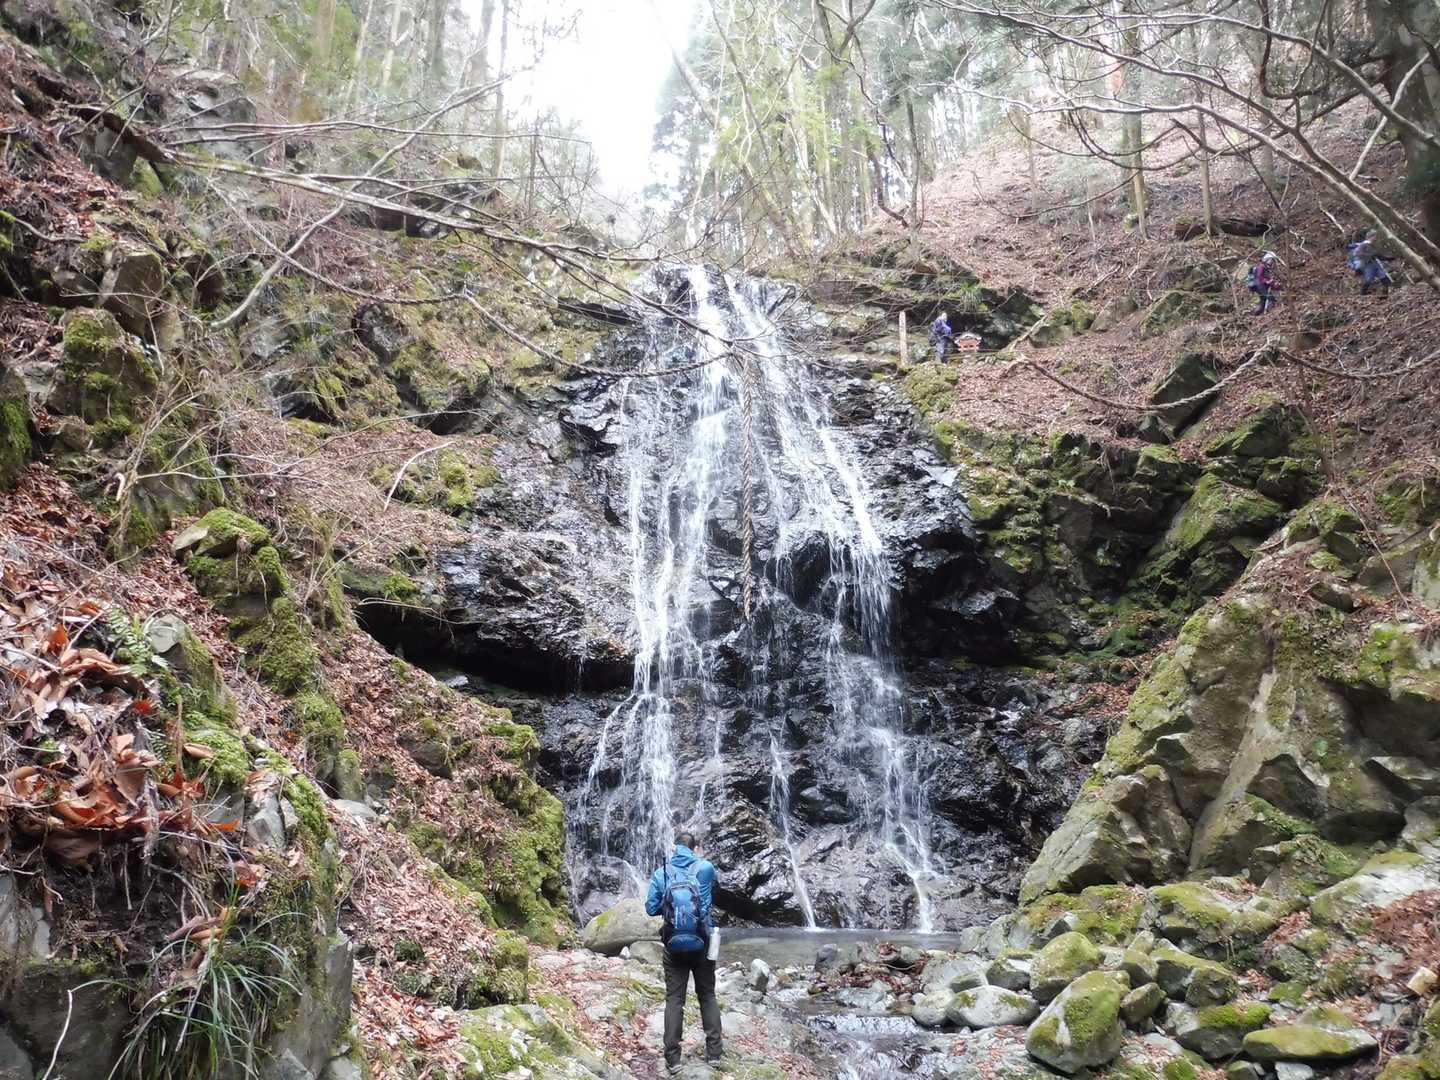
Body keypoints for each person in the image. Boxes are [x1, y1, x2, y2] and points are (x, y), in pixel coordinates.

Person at [645, 832, 722, 1074]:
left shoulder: (662, 872)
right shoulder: (706, 868)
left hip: (673, 945)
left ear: (674, 847)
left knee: (674, 999)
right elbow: (711, 898)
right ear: (695, 847)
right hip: (702, 942)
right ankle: (714, 1055)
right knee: (707, 995)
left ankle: (673, 1059)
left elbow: (650, 908)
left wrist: (670, 909)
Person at [1347, 229, 1392, 295]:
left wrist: (1388, 259)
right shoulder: (1363, 245)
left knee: (1384, 277)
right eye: (1375, 236)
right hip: (1368, 265)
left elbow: (1378, 255)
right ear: (1371, 237)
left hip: (1375, 264)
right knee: (1368, 280)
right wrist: (1371, 255)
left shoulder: (1372, 245)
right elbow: (1359, 254)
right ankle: (1362, 294)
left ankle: (1385, 294)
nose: (1376, 238)